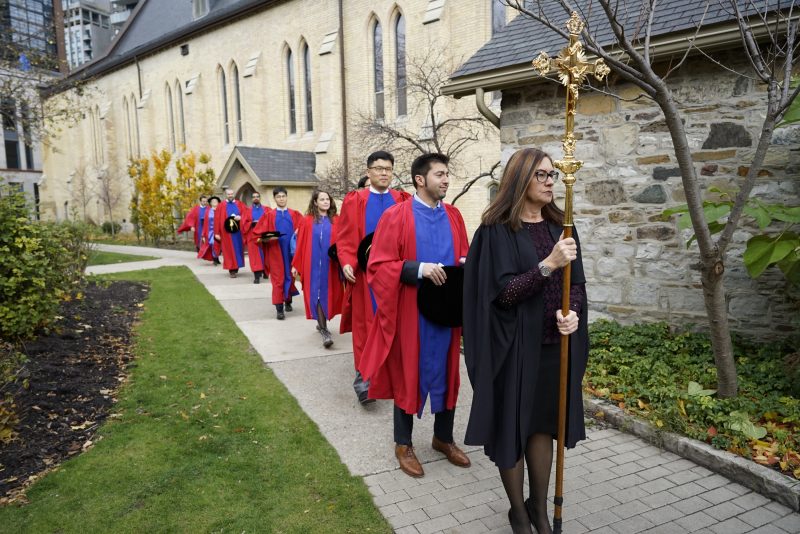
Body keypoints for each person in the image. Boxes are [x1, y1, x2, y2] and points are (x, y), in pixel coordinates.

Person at [462, 148, 588, 534]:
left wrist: (573, 314)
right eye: (543, 176)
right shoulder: (496, 230)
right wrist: (548, 264)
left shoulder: (561, 226)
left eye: (553, 175)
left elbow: (577, 284)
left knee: (541, 427)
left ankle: (539, 509)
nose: (552, 182)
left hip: (552, 346)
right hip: (513, 348)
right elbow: (502, 295)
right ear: (520, 180)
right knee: (512, 426)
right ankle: (517, 511)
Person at [360, 153, 471, 478]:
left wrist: (465, 264)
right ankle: (403, 444)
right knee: (409, 373)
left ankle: (443, 438)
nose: (446, 180)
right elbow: (378, 266)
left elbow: (463, 252)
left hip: (446, 311)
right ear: (420, 179)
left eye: (447, 174)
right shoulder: (397, 216)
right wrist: (418, 269)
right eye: (440, 174)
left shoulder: (454, 216)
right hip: (412, 314)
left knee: (449, 371)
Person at [335, 151, 411, 405]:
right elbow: (345, 238)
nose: (384, 173)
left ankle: (393, 377)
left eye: (388, 169)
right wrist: (346, 262)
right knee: (366, 327)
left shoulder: (402, 199)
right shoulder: (355, 200)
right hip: (365, 276)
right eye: (378, 168)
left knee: (396, 325)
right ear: (368, 172)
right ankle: (364, 381)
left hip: (395, 276)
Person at [291, 188, 344, 347]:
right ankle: (325, 331)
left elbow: (343, 243)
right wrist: (296, 264)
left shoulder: (337, 220)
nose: (325, 202)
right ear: (315, 202)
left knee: (328, 295)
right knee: (316, 295)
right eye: (322, 199)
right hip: (312, 266)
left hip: (331, 266)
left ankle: (321, 324)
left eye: (327, 199)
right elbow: (300, 245)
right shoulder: (306, 221)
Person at [254, 187, 303, 320]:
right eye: (278, 196)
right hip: (275, 252)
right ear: (274, 199)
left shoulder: (295, 214)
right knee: (277, 279)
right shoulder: (269, 215)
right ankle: (279, 308)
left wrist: (300, 232)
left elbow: (304, 231)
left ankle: (288, 301)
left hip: (291, 252)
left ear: (287, 197)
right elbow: (258, 235)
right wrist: (267, 238)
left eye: (283, 196)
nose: (281, 198)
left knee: (290, 277)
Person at [216, 188, 248, 278]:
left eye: (231, 194)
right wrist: (217, 233)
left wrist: (240, 217)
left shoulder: (240, 204)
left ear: (233, 194)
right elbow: (217, 220)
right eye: (228, 194)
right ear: (225, 195)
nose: (230, 195)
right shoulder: (221, 206)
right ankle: (231, 269)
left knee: (238, 249)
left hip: (238, 232)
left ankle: (236, 266)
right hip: (227, 233)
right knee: (229, 251)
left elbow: (246, 214)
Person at [244, 191, 269, 284]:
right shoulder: (248, 211)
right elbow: (244, 223)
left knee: (266, 255)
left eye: (257, 196)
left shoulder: (266, 209)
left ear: (260, 198)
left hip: (264, 235)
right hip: (252, 235)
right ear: (251, 199)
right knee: (255, 257)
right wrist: (251, 223)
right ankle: (257, 276)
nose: (255, 198)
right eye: (254, 197)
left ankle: (266, 272)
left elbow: (271, 220)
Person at [198, 196, 221, 265]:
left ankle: (216, 257)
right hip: (210, 231)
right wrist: (204, 235)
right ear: (210, 203)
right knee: (212, 243)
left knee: (218, 245)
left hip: (219, 231)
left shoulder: (221, 210)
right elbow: (205, 224)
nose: (214, 202)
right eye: (213, 201)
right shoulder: (208, 211)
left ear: (218, 203)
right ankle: (214, 259)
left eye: (216, 201)